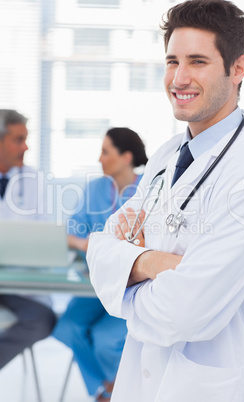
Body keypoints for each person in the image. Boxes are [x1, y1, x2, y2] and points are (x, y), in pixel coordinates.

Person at [87, 1, 244, 402]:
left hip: (215, 386)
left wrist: (125, 280)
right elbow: (99, 250)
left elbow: (183, 312)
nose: (179, 78)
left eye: (198, 61)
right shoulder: (168, 155)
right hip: (143, 382)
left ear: (238, 69)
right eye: (172, 61)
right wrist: (153, 263)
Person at [53, 127, 148, 401]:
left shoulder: (146, 190)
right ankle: (104, 388)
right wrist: (89, 245)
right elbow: (72, 233)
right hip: (93, 285)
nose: (99, 158)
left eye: (106, 152)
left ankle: (113, 391)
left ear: (126, 157)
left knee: (106, 340)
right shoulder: (95, 188)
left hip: (127, 289)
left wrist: (94, 243)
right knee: (66, 327)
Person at [0, 109, 56, 369]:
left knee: (42, 319)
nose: (26, 146)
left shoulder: (33, 180)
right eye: (18, 139)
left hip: (20, 284)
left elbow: (43, 234)